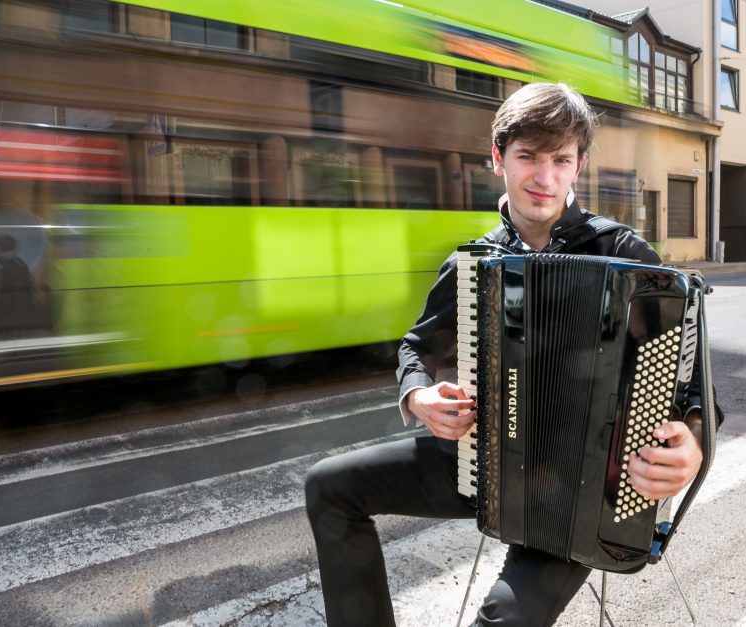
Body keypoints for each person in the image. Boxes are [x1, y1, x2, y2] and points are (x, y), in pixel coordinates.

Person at [305, 82, 721, 627]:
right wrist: (419, 392)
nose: (543, 178)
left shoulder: (624, 256)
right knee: (329, 486)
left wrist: (691, 442)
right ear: (498, 158)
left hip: (581, 488)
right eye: (527, 157)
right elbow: (418, 347)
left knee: (502, 619)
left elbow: (694, 386)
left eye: (560, 159)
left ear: (579, 166)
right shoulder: (475, 263)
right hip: (485, 463)